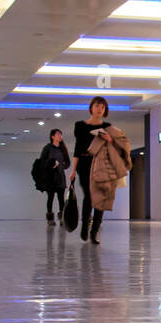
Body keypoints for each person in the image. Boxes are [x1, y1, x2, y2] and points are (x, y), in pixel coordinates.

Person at [70, 97, 115, 243]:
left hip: (101, 164)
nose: (99, 109)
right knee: (89, 197)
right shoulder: (80, 126)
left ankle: (94, 232)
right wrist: (73, 170)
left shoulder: (108, 127)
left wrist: (110, 139)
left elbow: (113, 148)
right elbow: (77, 149)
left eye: (102, 107)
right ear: (91, 107)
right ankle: (85, 227)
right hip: (84, 163)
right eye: (97, 106)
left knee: (100, 198)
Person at [33, 129, 70, 225]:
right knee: (50, 197)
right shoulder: (48, 148)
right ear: (52, 136)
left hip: (60, 176)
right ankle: (50, 219)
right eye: (58, 134)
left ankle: (62, 218)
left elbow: (67, 162)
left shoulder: (63, 148)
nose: (60, 136)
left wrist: (62, 166)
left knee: (61, 198)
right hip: (50, 177)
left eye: (61, 134)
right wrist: (51, 164)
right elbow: (42, 161)